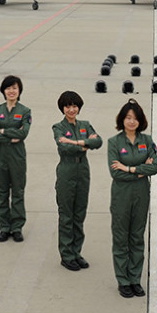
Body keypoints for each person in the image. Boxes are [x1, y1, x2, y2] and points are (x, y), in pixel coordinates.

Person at [107, 99, 157, 298]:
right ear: (122, 119)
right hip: (121, 194)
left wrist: (129, 168)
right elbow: (115, 173)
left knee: (137, 236)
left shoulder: (147, 141)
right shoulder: (114, 142)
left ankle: (135, 279)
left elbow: (155, 167)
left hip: (141, 193)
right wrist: (141, 169)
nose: (131, 122)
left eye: (135, 119)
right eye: (128, 118)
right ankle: (123, 280)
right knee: (121, 237)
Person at [52, 91, 103, 271]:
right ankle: (66, 255)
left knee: (79, 213)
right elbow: (63, 147)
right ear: (62, 108)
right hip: (66, 171)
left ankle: (76, 252)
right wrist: (84, 143)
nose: (71, 109)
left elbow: (98, 142)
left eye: (74, 106)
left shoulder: (85, 125)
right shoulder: (58, 127)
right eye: (68, 106)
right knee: (67, 214)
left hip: (83, 171)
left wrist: (75, 142)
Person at [0, 75, 32, 241]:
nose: (11, 91)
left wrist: (3, 131)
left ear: (19, 90)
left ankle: (17, 227)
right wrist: (12, 135)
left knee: (18, 191)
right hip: (0, 155)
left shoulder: (25, 111)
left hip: (17, 155)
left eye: (14, 88)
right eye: (8, 88)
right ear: (3, 91)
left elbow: (24, 133)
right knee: (1, 191)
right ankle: (4, 227)